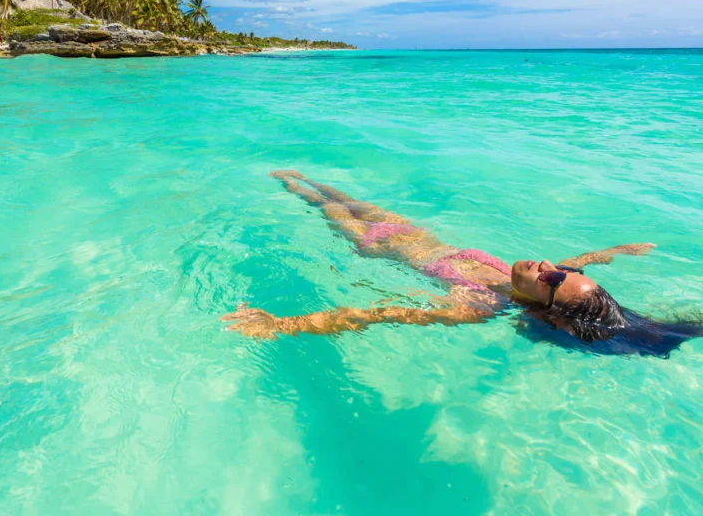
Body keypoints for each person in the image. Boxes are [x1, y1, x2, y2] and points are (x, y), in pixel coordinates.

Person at [223, 171, 702, 356]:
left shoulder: (478, 304)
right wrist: (618, 251)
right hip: (411, 231)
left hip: (374, 243)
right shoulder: (545, 273)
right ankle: (292, 172)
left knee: (315, 201)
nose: (551, 267)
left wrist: (283, 324)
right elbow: (582, 260)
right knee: (336, 191)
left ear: (544, 306)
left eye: (554, 278)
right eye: (566, 271)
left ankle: (280, 179)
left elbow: (384, 314)